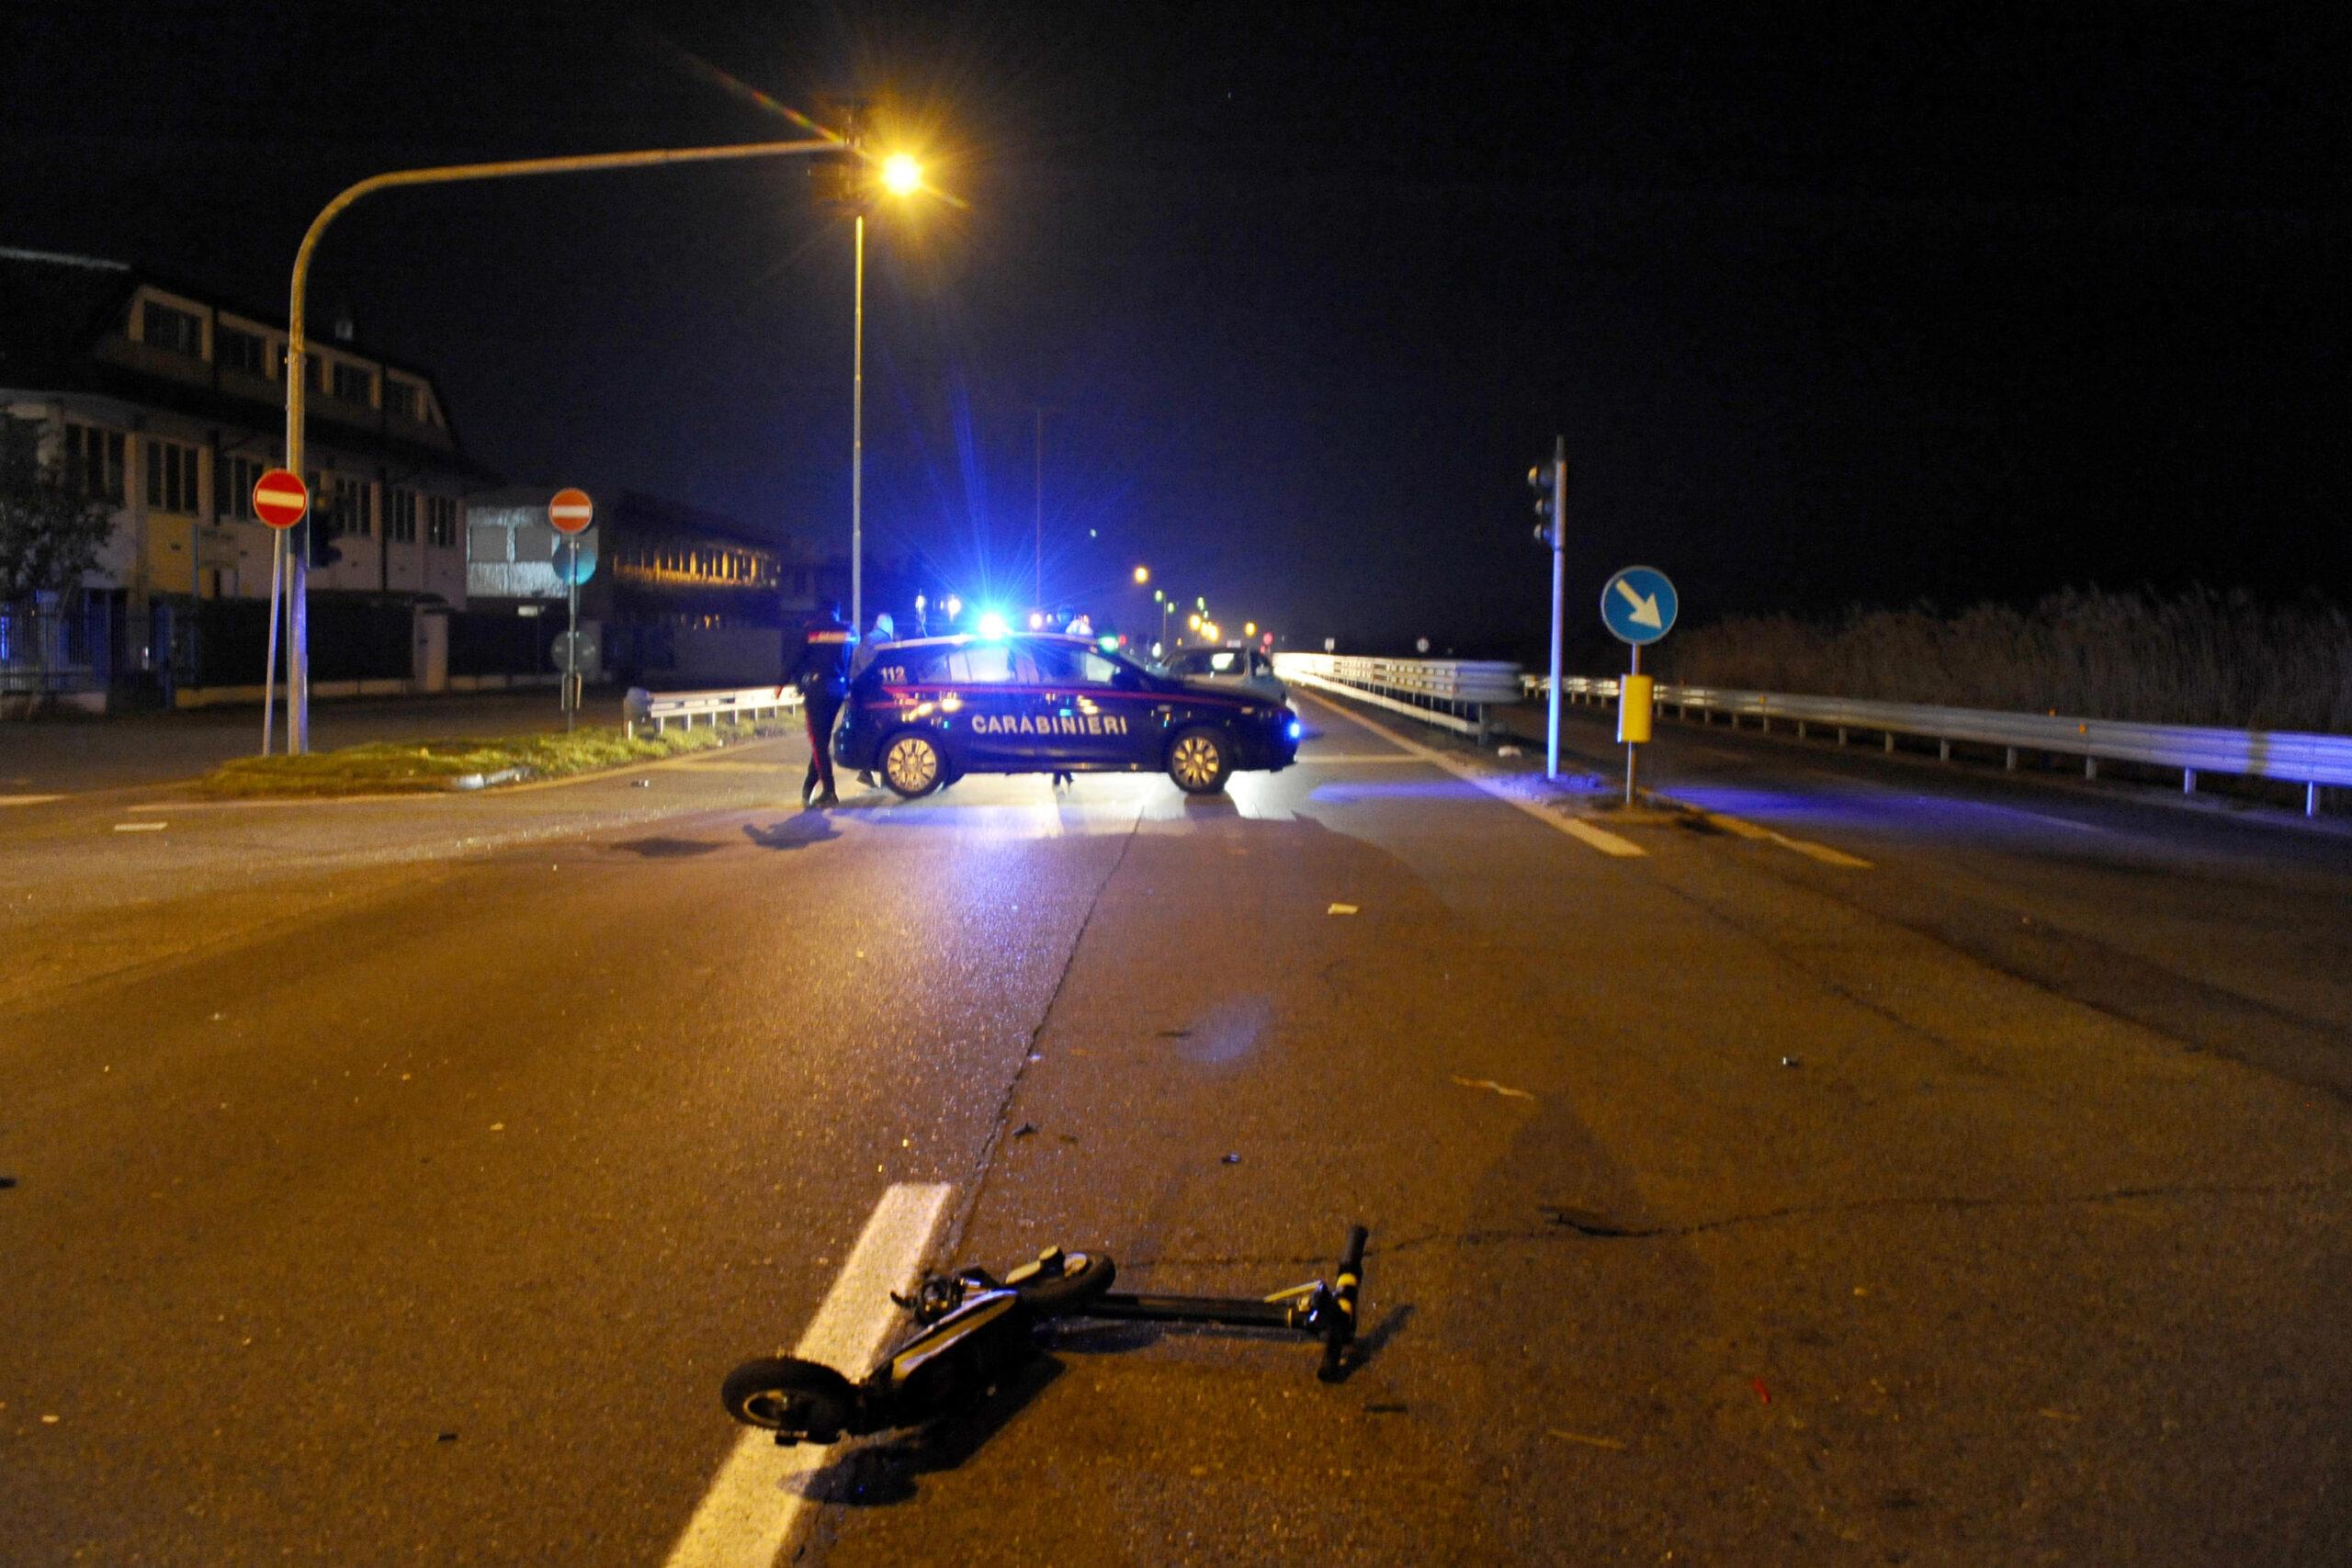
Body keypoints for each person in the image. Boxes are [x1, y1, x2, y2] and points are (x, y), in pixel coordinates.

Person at [787, 600, 854, 807]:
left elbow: (795, 659)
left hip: (817, 691)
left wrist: (782, 682)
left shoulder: (812, 630)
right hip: (838, 690)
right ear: (836, 611)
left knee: (818, 744)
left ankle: (829, 791)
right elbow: (853, 658)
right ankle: (808, 788)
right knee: (821, 743)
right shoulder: (848, 630)